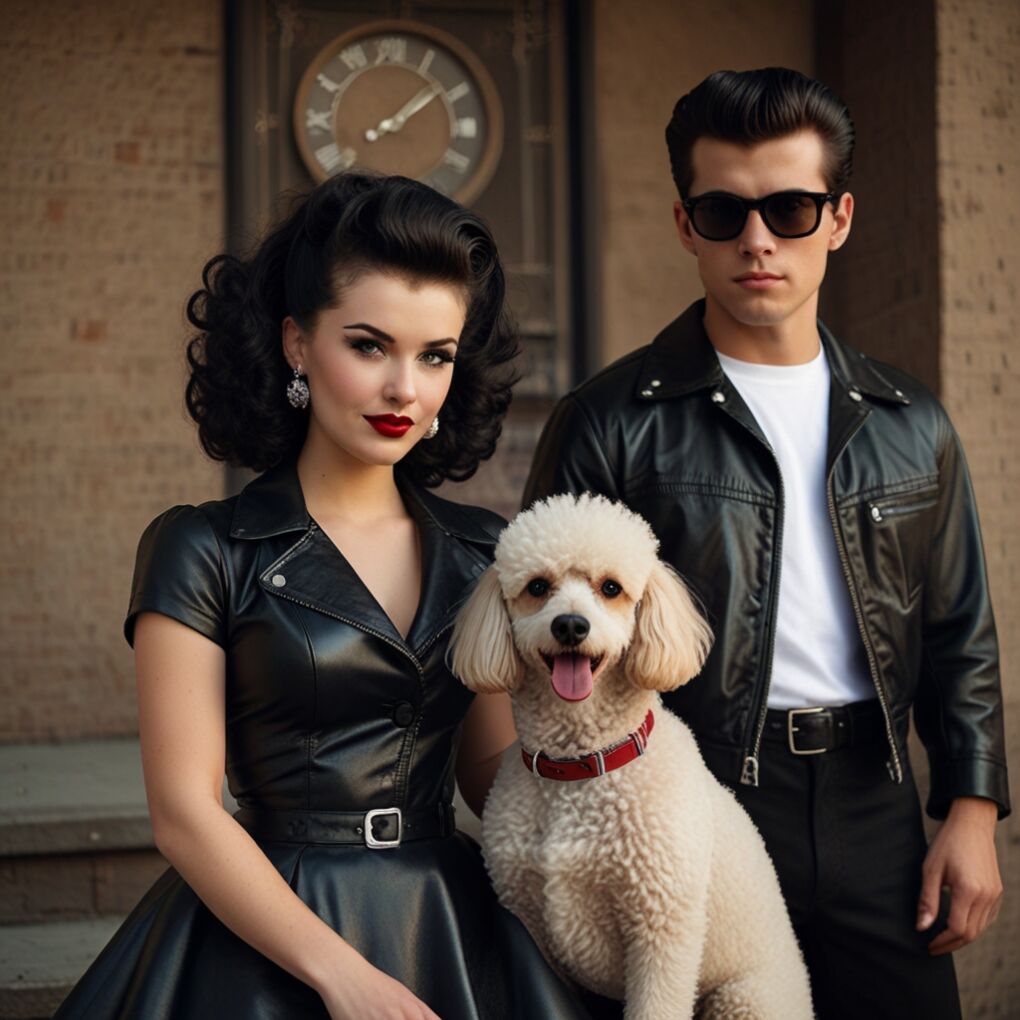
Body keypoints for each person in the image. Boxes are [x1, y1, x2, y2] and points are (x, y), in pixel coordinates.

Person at [54, 172, 600, 1020]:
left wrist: (605, 776)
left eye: (435, 356)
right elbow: (184, 814)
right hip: (267, 935)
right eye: (370, 345)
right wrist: (341, 977)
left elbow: (490, 776)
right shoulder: (202, 548)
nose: (405, 391)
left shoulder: (484, 552)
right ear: (297, 344)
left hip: (447, 925)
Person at [523, 68, 1009, 1020]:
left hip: (878, 803)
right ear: (684, 224)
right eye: (723, 212)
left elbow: (962, 635)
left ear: (839, 218)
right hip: (689, 798)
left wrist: (973, 809)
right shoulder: (610, 421)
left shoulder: (913, 423)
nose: (757, 240)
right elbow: (543, 642)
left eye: (790, 209)